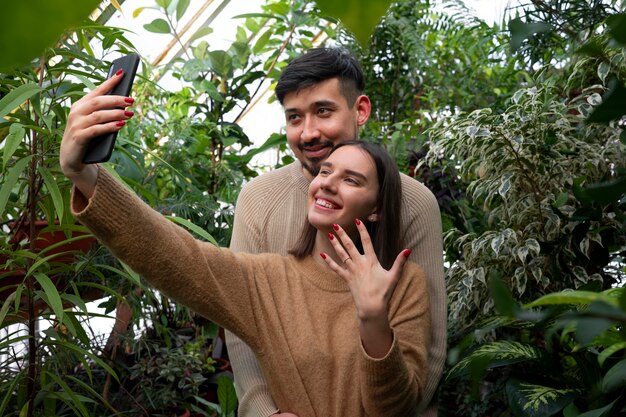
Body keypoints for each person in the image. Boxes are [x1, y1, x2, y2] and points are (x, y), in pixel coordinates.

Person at [59, 76, 431, 415]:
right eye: (324, 172)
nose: (328, 183)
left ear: (378, 208)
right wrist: (84, 174)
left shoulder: (404, 284)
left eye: (351, 179)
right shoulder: (267, 280)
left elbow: (397, 407)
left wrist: (372, 319)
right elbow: (171, 253)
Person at [227, 47, 446, 417]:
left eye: (323, 111)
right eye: (294, 118)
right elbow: (240, 322)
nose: (308, 132)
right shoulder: (258, 199)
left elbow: (432, 341)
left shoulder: (413, 202)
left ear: (359, 110)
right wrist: (263, 411)